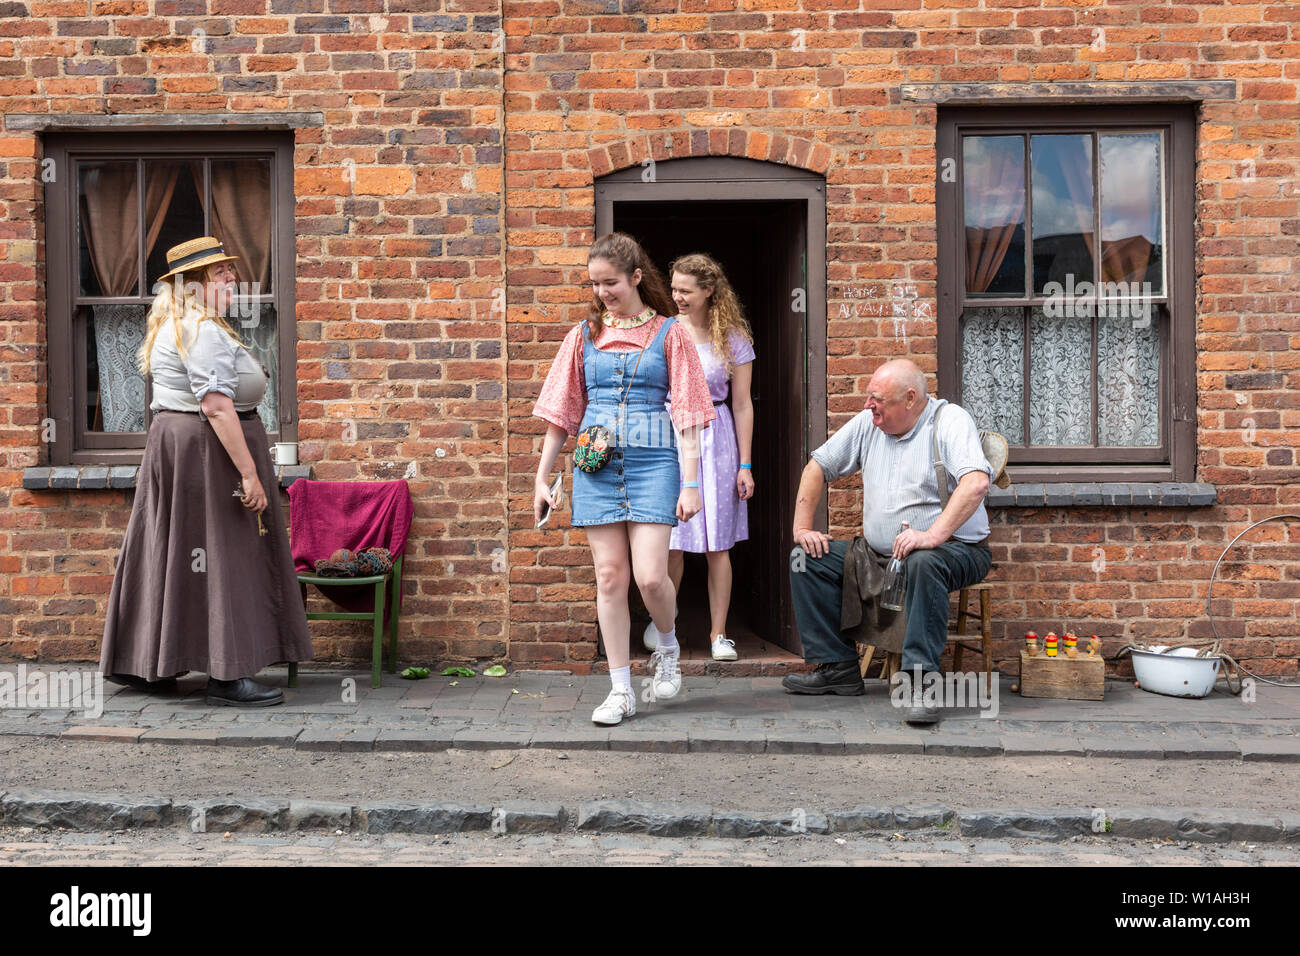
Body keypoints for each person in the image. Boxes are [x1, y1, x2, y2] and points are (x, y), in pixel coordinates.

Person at [100, 236, 313, 706]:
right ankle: (225, 675)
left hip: (180, 447)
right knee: (223, 553)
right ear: (193, 286)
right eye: (220, 274)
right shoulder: (203, 330)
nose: (232, 279)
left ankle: (152, 666)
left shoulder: (177, 324)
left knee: (175, 551)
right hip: (206, 451)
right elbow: (217, 407)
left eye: (229, 272)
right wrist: (250, 475)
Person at [532, 233, 716, 725]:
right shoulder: (582, 336)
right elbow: (560, 414)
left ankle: (669, 644)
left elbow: (691, 416)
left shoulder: (669, 334)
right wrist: (542, 477)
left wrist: (692, 483)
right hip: (596, 464)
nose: (602, 292)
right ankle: (620, 690)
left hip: (655, 462)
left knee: (651, 576)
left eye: (610, 282)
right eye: (595, 284)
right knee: (610, 577)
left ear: (636, 277)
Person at [782, 359, 992, 725]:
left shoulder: (949, 422)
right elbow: (817, 466)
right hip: (879, 554)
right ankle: (839, 668)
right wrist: (802, 528)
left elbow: (975, 483)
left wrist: (931, 536)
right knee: (807, 558)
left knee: (923, 561)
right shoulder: (869, 424)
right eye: (869, 397)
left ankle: (920, 685)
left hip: (956, 549)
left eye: (878, 399)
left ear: (910, 399)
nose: (868, 405)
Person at [639, 253, 755, 662]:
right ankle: (662, 622)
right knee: (670, 541)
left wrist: (746, 464)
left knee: (717, 546)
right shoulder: (666, 332)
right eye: (674, 290)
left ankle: (718, 634)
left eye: (686, 290)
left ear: (709, 291)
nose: (677, 297)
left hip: (718, 438)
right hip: (672, 436)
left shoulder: (733, 339)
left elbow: (742, 405)